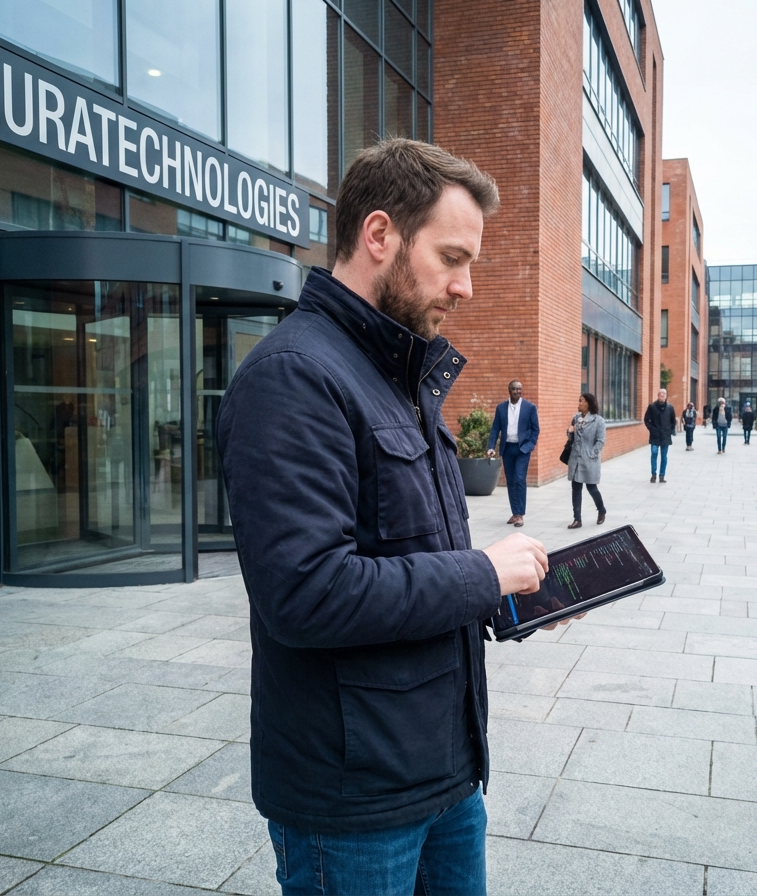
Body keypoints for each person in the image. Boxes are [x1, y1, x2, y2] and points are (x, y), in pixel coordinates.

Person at [216, 138, 550, 895]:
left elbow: (407, 555)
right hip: (355, 803)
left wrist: (504, 594)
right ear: (378, 235)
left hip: (446, 774)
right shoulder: (294, 378)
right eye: (452, 258)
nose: (466, 287)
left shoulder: (397, 373)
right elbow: (307, 593)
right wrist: (479, 573)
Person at [487, 380, 539, 526]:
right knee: (510, 481)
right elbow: (495, 429)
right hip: (507, 448)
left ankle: (520, 514)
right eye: (515, 389)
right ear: (509, 390)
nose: (518, 391)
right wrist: (491, 447)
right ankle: (515, 513)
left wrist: (530, 445)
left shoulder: (529, 407)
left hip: (522, 449)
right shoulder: (501, 408)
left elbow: (535, 429)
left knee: (519, 478)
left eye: (520, 389)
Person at [566, 392, 607, 528]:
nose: (578, 404)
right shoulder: (575, 418)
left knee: (592, 488)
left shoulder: (598, 421)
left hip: (590, 460)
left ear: (588, 403)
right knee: (575, 488)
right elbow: (571, 437)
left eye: (581, 401)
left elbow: (600, 441)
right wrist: (570, 431)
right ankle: (577, 519)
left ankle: (601, 510)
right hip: (575, 459)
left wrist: (592, 454)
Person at [643, 387, 676, 482]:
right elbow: (646, 420)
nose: (662, 396)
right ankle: (653, 474)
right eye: (660, 395)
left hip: (665, 435)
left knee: (664, 456)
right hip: (655, 435)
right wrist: (652, 429)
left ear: (666, 396)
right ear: (658, 396)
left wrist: (670, 430)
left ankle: (662, 475)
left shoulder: (670, 408)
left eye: (664, 394)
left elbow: (673, 421)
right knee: (654, 453)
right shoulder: (652, 407)